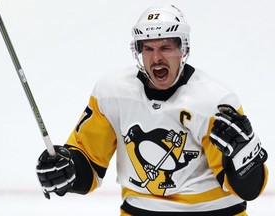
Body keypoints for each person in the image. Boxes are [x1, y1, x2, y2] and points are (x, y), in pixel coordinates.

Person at [36, 5, 268, 216]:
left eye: (166, 47)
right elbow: (89, 166)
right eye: (148, 48)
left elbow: (248, 189)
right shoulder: (113, 93)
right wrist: (68, 168)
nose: (156, 58)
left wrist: (246, 160)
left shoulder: (213, 101)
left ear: (182, 49)